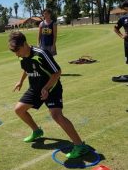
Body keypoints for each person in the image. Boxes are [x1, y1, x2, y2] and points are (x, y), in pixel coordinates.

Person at [8, 31, 90, 159]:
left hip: (52, 88)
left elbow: (57, 72)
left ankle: (80, 146)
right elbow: (26, 67)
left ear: (24, 44)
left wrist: (46, 88)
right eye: (14, 52)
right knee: (19, 110)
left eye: (18, 50)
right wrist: (21, 81)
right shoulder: (21, 56)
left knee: (57, 116)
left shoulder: (41, 53)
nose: (17, 54)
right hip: (35, 88)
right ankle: (37, 131)